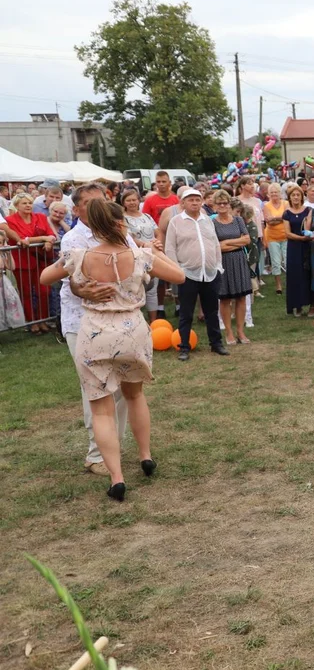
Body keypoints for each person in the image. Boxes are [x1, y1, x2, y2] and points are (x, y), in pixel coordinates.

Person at [41, 197, 186, 501]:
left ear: (92, 226)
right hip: (132, 330)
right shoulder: (140, 255)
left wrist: (78, 285)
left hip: (95, 333)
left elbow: (45, 278)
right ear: (121, 223)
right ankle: (145, 456)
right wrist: (154, 251)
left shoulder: (77, 255)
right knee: (135, 396)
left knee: (101, 409)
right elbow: (179, 276)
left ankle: (116, 477)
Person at [165, 188, 229, 361]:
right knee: (186, 313)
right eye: (190, 200)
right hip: (187, 274)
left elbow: (215, 244)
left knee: (211, 311)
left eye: (197, 199)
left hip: (209, 273)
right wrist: (176, 270)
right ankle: (184, 347)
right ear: (183, 203)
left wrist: (218, 266)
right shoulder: (176, 222)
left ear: (202, 202)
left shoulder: (207, 220)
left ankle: (216, 344)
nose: (194, 202)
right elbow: (170, 248)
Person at [5, 192, 55, 334]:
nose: (28, 205)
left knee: (44, 291)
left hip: (41, 260)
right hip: (22, 261)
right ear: (16, 206)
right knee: (26, 292)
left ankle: (43, 319)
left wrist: (48, 240)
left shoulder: (40, 217)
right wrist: (43, 238)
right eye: (24, 203)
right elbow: (20, 239)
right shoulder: (10, 220)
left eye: (30, 203)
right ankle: (32, 322)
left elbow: (52, 234)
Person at [208, 191, 252, 345]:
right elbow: (215, 247)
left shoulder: (238, 220)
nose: (222, 206)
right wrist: (235, 241)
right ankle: (229, 332)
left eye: (225, 203)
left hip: (239, 260)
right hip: (223, 262)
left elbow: (247, 240)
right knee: (225, 298)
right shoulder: (211, 223)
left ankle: (241, 331)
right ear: (214, 205)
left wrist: (226, 243)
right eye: (219, 203)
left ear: (229, 204)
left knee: (241, 297)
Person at [119, 188, 161, 321]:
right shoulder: (123, 219)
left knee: (152, 289)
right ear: (123, 203)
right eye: (128, 200)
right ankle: (137, 320)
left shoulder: (147, 216)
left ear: (139, 200)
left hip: (152, 255)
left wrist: (156, 241)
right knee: (136, 289)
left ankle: (153, 321)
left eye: (134, 200)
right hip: (135, 256)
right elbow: (128, 237)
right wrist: (144, 245)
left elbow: (157, 231)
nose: (132, 203)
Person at [282, 183, 314, 317]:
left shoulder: (308, 210)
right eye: (293, 195)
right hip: (294, 247)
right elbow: (287, 233)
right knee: (295, 275)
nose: (295, 197)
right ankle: (297, 305)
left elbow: (308, 229)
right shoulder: (286, 213)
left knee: (309, 274)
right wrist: (300, 238)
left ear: (302, 197)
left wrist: (305, 236)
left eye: (298, 195)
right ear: (289, 197)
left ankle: (312, 305)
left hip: (307, 247)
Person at [262, 183, 288, 295]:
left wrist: (275, 218)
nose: (274, 194)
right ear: (269, 194)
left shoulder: (286, 203)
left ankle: (290, 283)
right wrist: (280, 218)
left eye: (276, 192)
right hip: (272, 237)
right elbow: (269, 222)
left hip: (286, 236)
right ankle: (278, 285)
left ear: (280, 193)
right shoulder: (266, 206)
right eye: (271, 192)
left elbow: (287, 217)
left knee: (287, 261)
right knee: (276, 262)